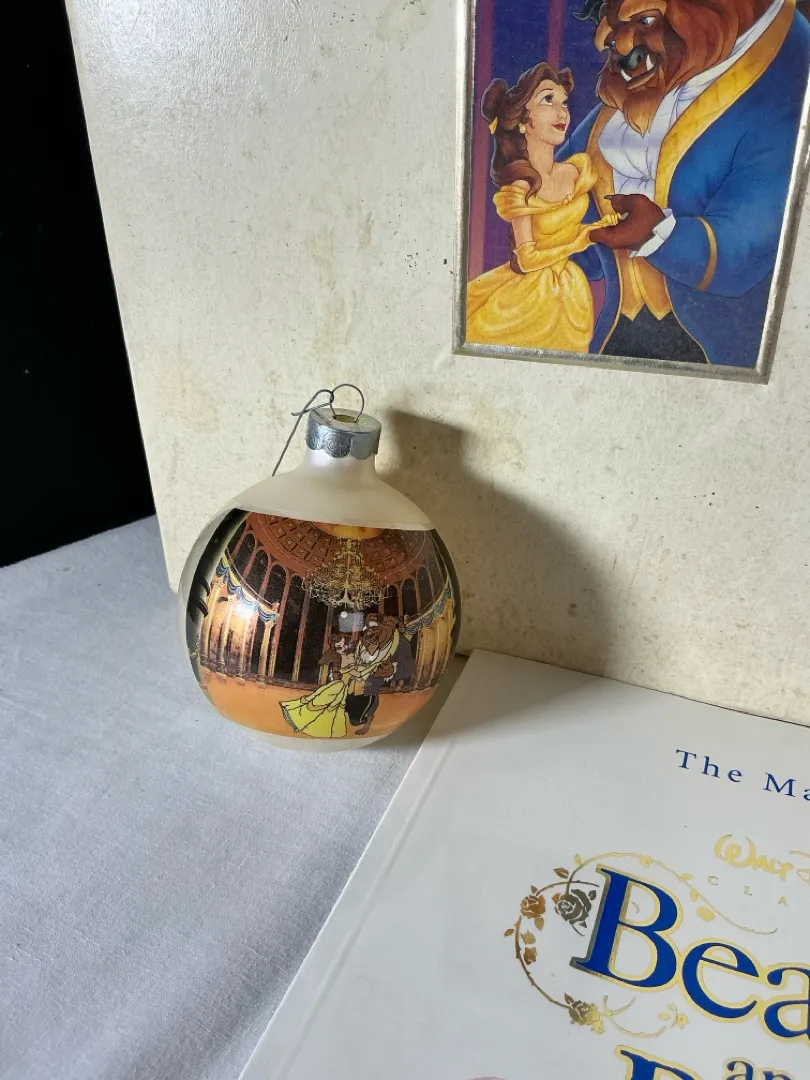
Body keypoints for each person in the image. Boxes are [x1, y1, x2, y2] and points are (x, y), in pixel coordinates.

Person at [466, 63, 618, 353]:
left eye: (564, 102)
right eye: (548, 100)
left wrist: (599, 227)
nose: (562, 113)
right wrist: (580, 241)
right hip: (528, 300)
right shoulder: (520, 188)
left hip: (572, 293)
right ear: (524, 119)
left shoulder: (577, 170)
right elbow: (526, 260)